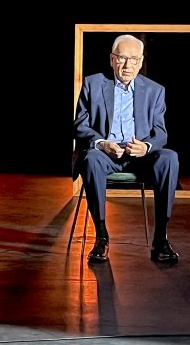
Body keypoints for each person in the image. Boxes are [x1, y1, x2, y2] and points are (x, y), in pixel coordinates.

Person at [72, 34, 180, 263]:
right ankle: (101, 236)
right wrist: (103, 144)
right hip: (105, 153)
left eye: (134, 59)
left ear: (141, 62)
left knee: (169, 157)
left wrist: (146, 147)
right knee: (91, 158)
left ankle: (161, 238)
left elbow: (161, 132)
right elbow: (80, 126)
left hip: (140, 155)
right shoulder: (93, 84)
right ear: (112, 59)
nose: (128, 65)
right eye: (122, 58)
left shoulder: (155, 90)